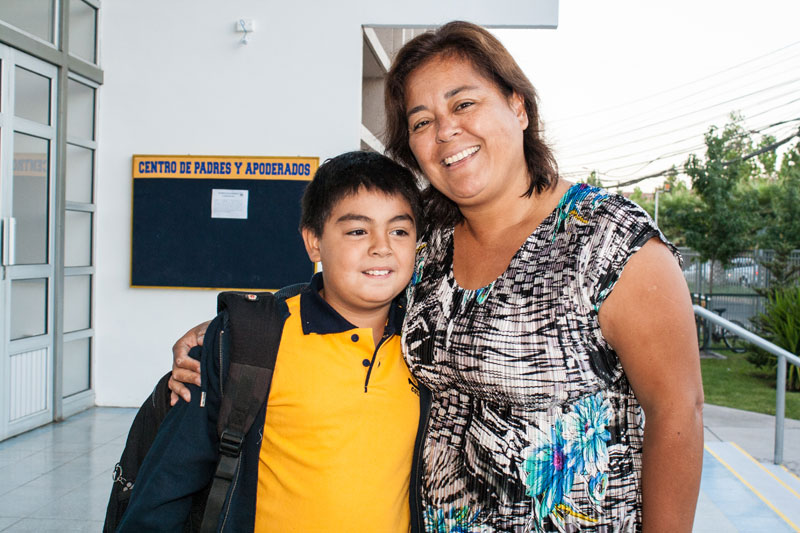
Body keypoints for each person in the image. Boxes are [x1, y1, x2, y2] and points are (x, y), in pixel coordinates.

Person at [172, 21, 704, 532]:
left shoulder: (607, 240)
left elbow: (677, 412)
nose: (446, 130)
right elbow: (355, 284)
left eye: (464, 103)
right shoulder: (430, 237)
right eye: (422, 121)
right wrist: (237, 327)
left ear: (518, 106)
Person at [119, 151, 425, 532]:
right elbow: (165, 489)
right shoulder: (253, 340)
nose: (382, 246)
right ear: (314, 242)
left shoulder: (427, 345)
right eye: (357, 231)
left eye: (399, 230)